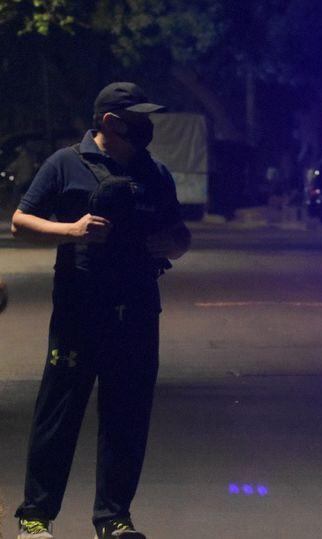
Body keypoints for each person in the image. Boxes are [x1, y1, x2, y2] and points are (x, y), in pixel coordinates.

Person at [11, 82, 191, 539]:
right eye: (138, 118)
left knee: (127, 415)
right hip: (80, 308)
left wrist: (168, 244)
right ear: (110, 121)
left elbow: (180, 234)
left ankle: (113, 518)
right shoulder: (65, 163)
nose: (146, 126)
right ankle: (35, 517)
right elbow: (21, 222)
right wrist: (72, 231)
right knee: (59, 414)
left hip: (137, 308)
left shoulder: (155, 171)